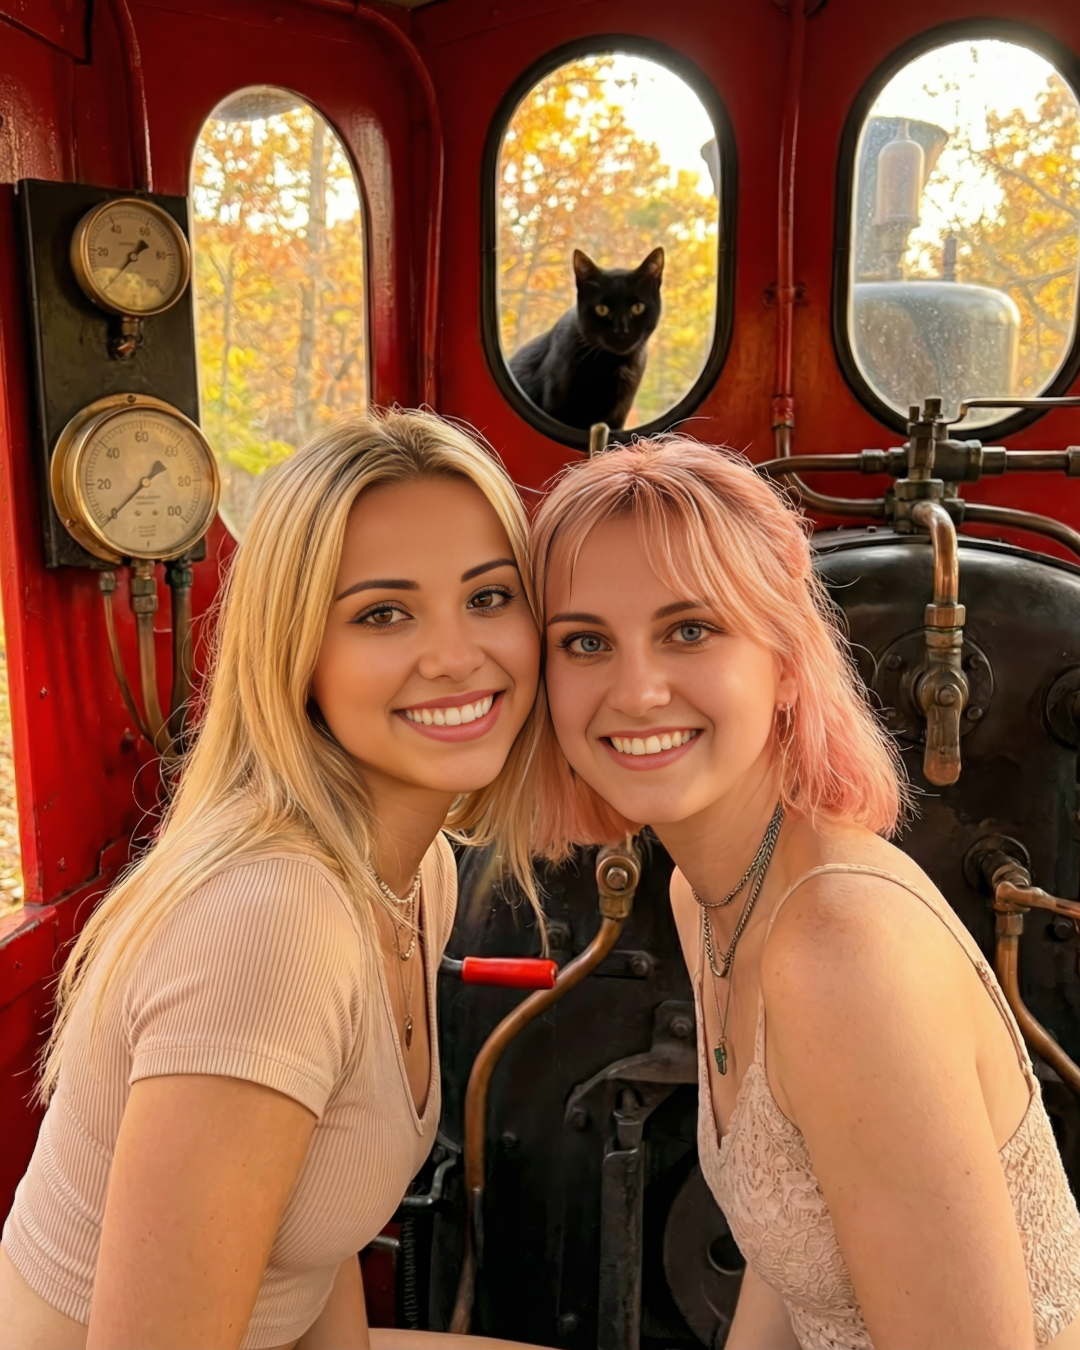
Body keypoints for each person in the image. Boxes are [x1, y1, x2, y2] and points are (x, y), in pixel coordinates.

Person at [0, 409, 546, 1350]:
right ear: (299, 655)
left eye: (489, 597)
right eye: (383, 613)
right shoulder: (275, 925)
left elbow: (309, 1236)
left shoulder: (419, 872)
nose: (457, 655)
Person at [528, 436, 1080, 1350]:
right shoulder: (712, 893)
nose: (636, 689)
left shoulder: (837, 949)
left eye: (690, 630)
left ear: (784, 661)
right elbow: (788, 1266)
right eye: (586, 642)